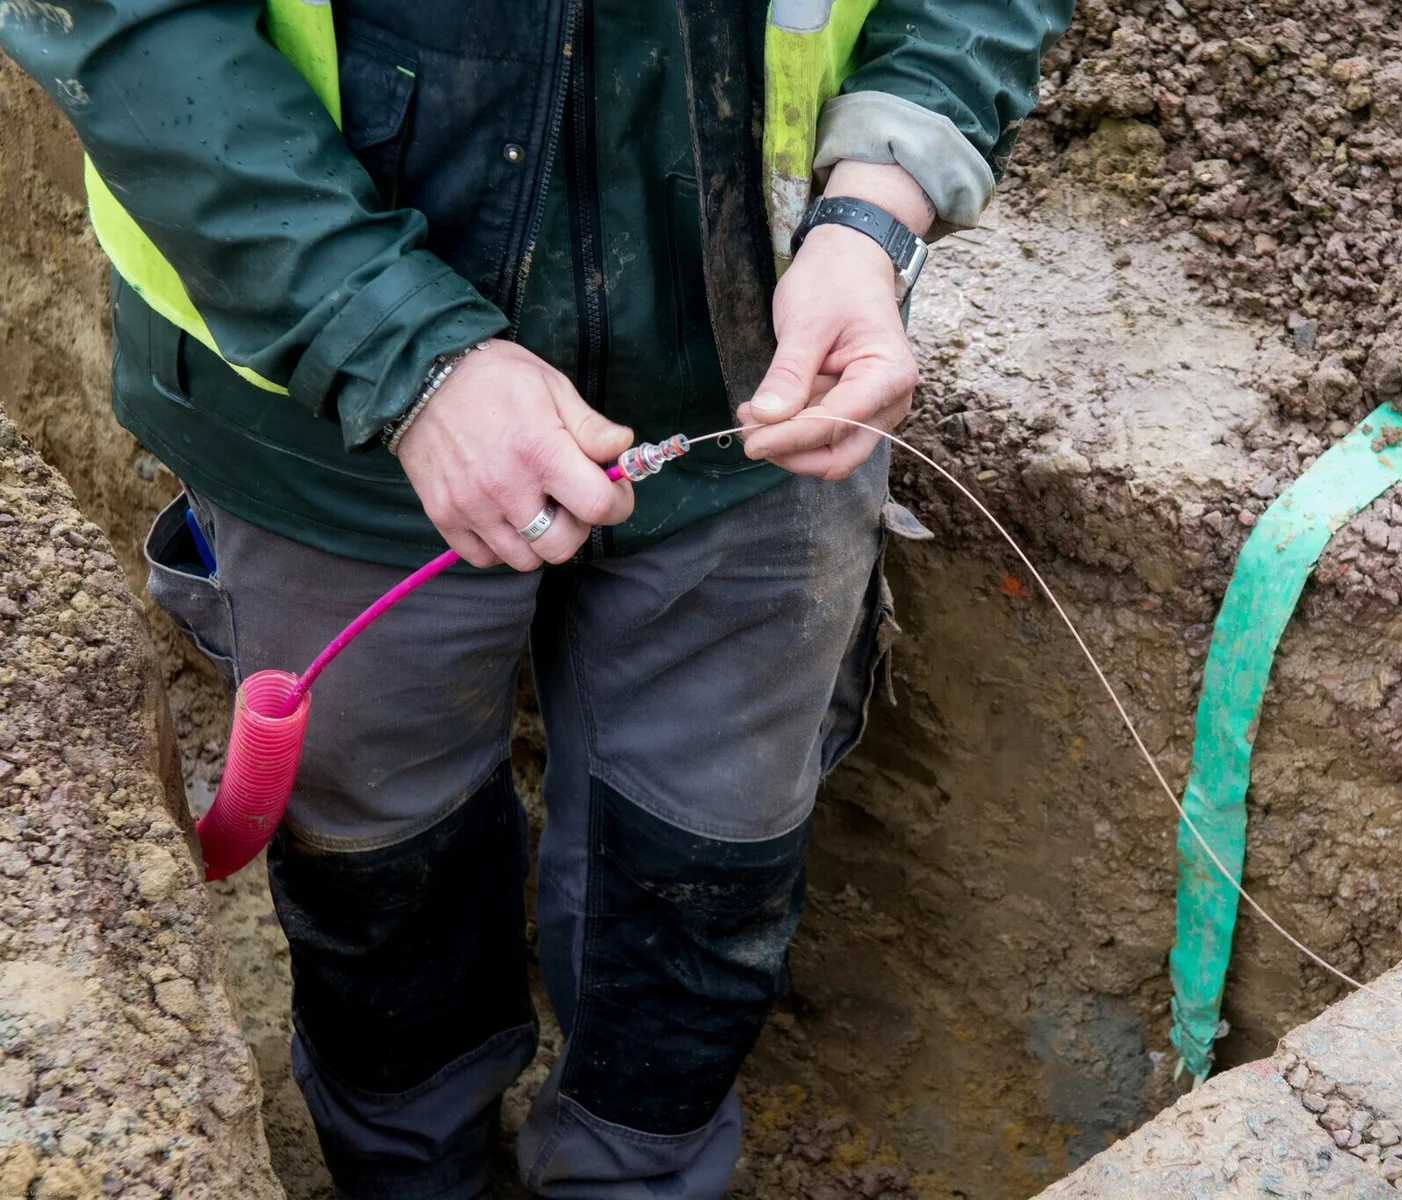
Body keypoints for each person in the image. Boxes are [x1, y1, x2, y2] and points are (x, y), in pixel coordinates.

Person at [2, 1, 1070, 1196]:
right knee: (381, 858)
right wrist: (399, 347)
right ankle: (409, 1176)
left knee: (707, 866)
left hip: (763, 383)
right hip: (315, 409)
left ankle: (636, 1175)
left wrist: (872, 214)